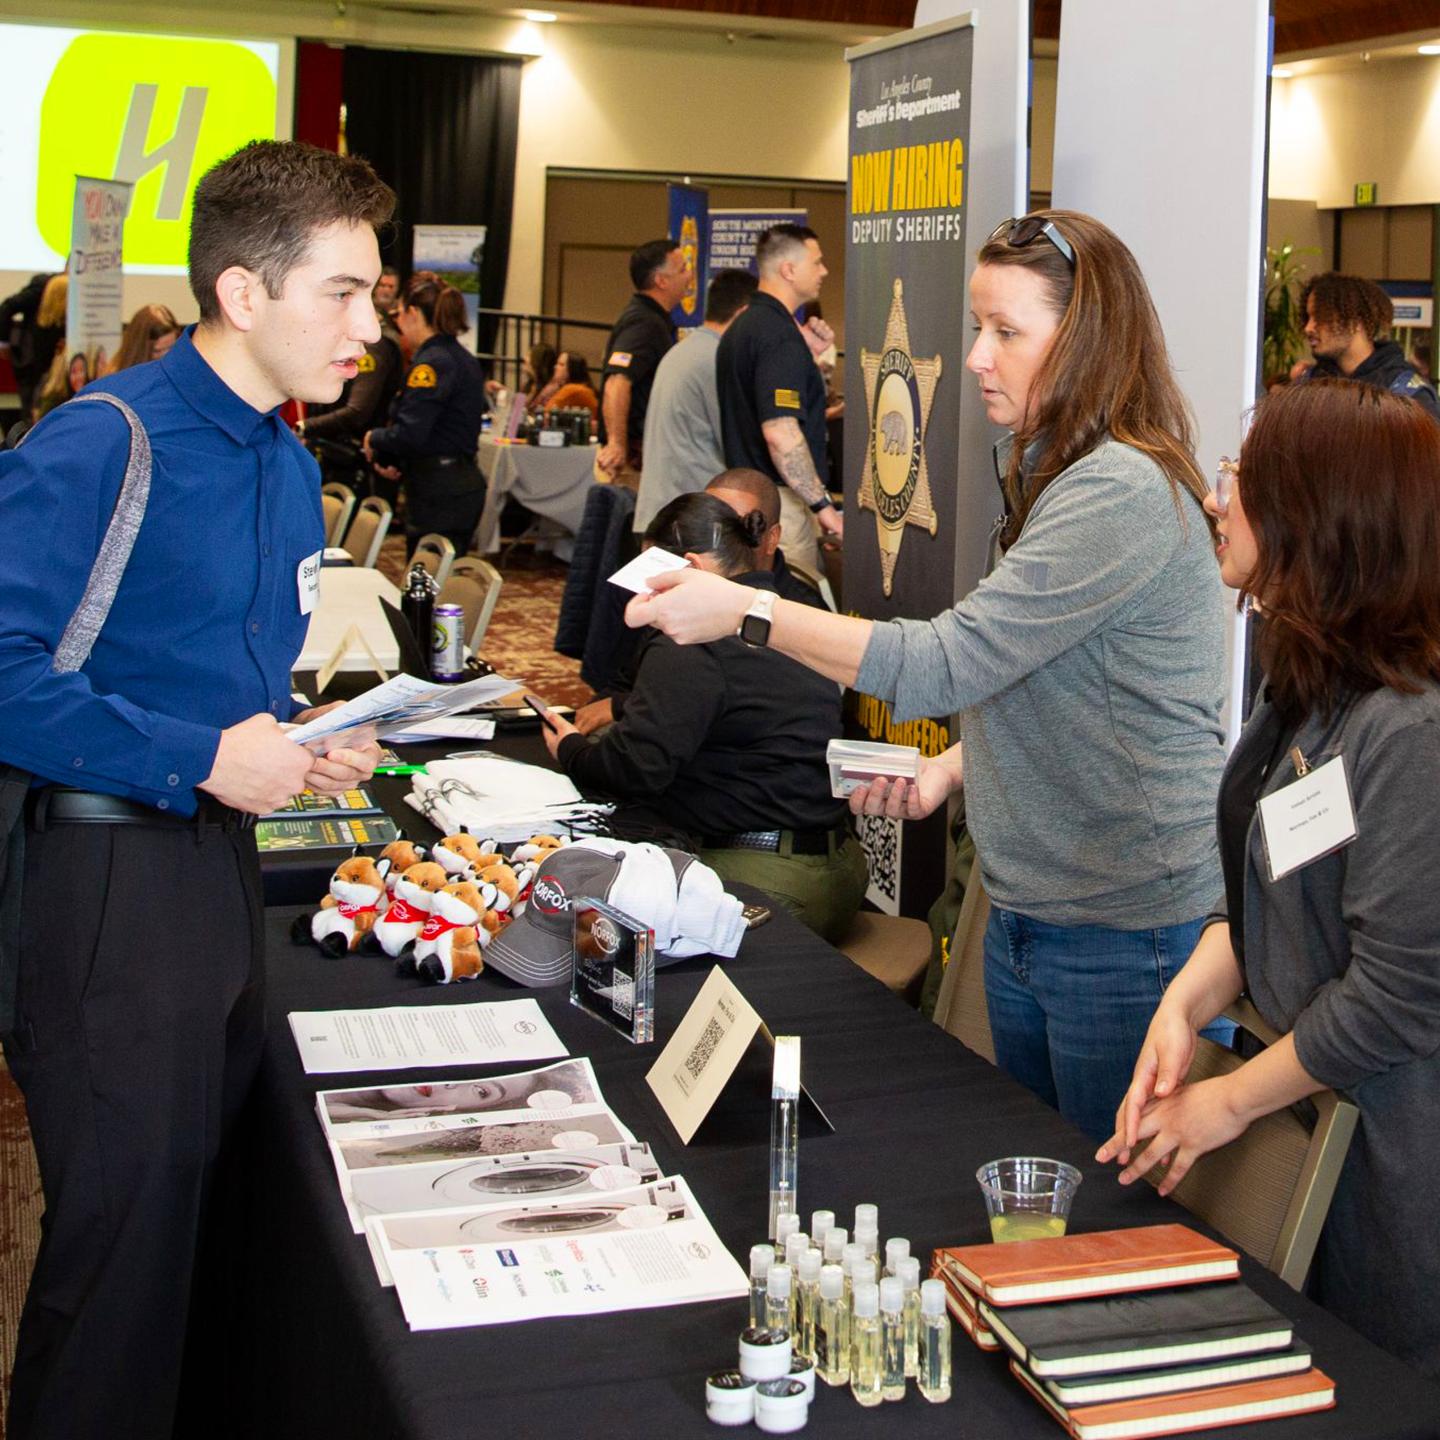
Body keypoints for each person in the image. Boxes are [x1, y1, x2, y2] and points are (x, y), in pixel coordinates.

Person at [630, 211, 1229, 1145]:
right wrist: (954, 771)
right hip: (1036, 905)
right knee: (1043, 1183)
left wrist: (747, 610)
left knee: (1106, 1219)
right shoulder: (1051, 470)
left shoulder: (1116, 490)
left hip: (1124, 931)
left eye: (1007, 332)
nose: (981, 359)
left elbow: (953, 658)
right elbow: (1034, 671)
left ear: (1086, 342)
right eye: (977, 329)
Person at [0, 139, 391, 1439]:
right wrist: (202, 755)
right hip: (102, 882)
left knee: (199, 1222)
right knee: (119, 1253)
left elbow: (219, 685)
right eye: (343, 292)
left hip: (214, 872)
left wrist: (300, 738)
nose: (371, 325)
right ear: (242, 293)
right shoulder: (105, 441)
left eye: (374, 293)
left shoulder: (285, 460)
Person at [1098, 379, 1440, 1381]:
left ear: (1320, 517)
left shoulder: (1409, 733)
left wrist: (1231, 1102)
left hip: (1386, 1163)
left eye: (1242, 482)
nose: (1215, 499)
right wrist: (1183, 1004)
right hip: (1306, 1120)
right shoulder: (1305, 680)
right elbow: (1258, 886)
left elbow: (1398, 998)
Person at [543, 492, 867, 942]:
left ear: (691, 567)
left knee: (573, 912)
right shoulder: (787, 613)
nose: (647, 594)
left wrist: (570, 749)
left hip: (769, 882)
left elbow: (634, 770)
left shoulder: (693, 638)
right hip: (841, 870)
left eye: (650, 577)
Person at [572, 467, 825, 737]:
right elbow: (632, 673)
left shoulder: (801, 609)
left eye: (738, 526)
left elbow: (745, 704)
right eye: (711, 522)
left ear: (771, 538)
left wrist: (620, 707)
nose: (724, 539)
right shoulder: (683, 583)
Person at [716, 223, 842, 576]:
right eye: (816, 262)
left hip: (745, 502)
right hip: (778, 507)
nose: (824, 271)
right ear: (789, 269)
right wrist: (823, 507)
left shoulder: (743, 327)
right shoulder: (779, 336)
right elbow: (781, 434)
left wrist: (811, 362)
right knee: (788, 616)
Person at [364, 271, 487, 556]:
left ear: (414, 313)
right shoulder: (461, 357)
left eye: (401, 312)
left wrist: (375, 438)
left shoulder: (432, 364)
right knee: (443, 577)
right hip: (453, 482)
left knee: (427, 578)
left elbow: (411, 433)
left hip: (440, 490)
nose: (399, 320)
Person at [633, 267, 757, 532]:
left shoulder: (683, 351)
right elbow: (737, 442)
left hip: (662, 510)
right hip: (690, 520)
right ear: (744, 314)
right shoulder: (717, 359)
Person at [595, 238, 692, 485]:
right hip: (632, 464)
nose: (690, 275)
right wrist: (617, 444)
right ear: (661, 281)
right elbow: (617, 381)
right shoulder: (644, 323)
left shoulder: (654, 320)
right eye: (682, 269)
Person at [1294, 270, 1439, 419]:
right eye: (1308, 317)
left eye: (1320, 316)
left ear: (1355, 321)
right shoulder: (1308, 384)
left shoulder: (1407, 394)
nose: (1308, 328)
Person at [1, 271, 59, 415]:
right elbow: (7, 307)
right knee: (31, 411)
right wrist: (4, 344)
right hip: (33, 361)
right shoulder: (44, 285)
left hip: (55, 366)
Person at [105, 303, 183, 374]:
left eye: (171, 347)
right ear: (139, 348)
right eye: (157, 351)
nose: (166, 356)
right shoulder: (116, 375)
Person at [537, 350, 599, 417]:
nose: (555, 367)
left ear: (572, 369)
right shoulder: (570, 387)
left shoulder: (573, 389)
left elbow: (546, 413)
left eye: (561, 365)